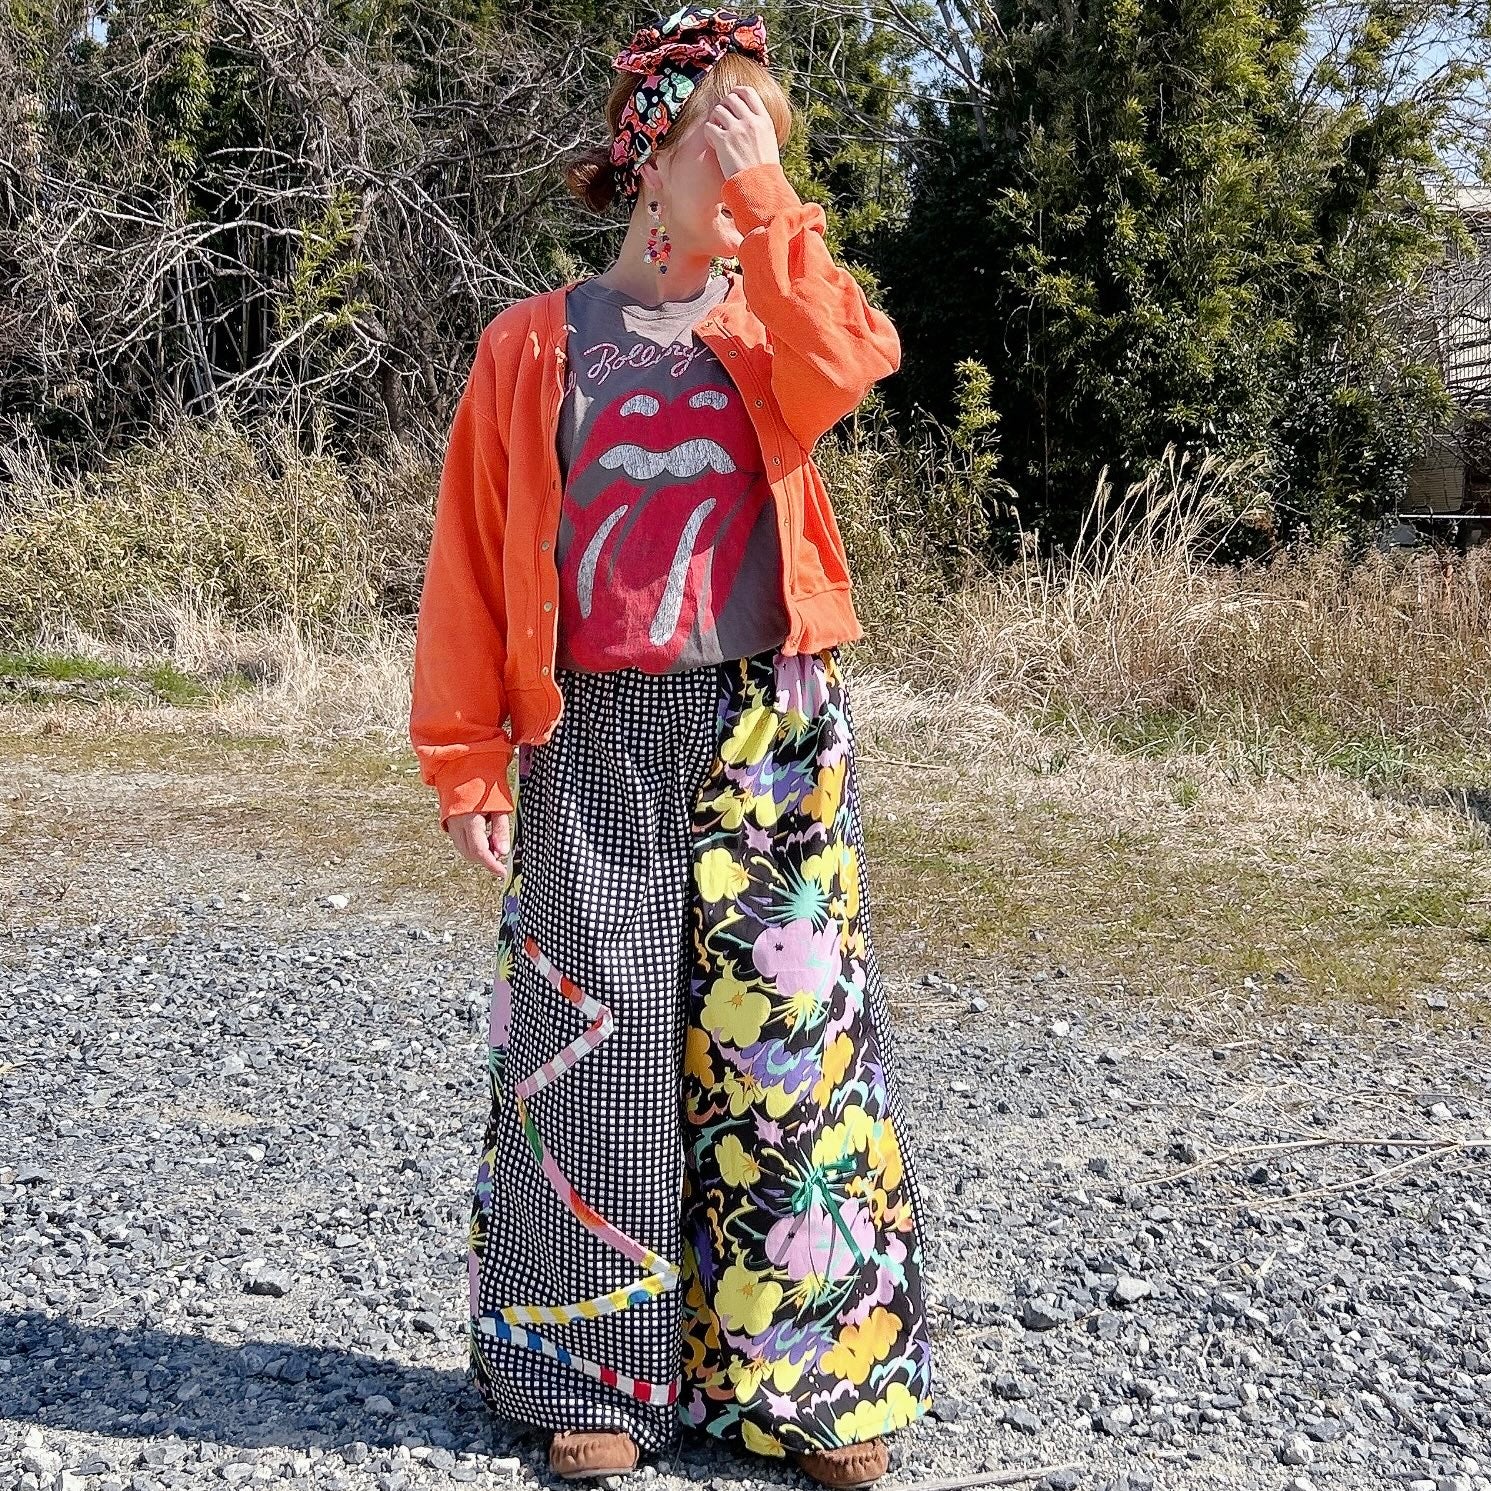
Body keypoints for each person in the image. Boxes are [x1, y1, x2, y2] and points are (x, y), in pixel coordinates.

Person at [407, 5, 935, 1485]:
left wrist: (769, 202)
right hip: (590, 728)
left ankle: (810, 1384)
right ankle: (586, 1379)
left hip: (768, 725)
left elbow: (859, 359)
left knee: (789, 1043)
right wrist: (467, 759)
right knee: (599, 1043)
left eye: (772, 146)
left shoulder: (770, 323)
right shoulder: (533, 346)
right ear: (653, 158)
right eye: (727, 138)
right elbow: (470, 564)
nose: (756, 166)